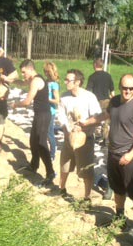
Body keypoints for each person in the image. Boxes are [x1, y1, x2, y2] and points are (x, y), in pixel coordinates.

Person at [90, 74, 133, 230]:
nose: (127, 91)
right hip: (112, 153)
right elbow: (105, 115)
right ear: (119, 87)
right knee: (117, 188)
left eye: (131, 88)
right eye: (125, 88)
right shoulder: (115, 101)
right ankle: (120, 215)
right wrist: (86, 122)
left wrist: (131, 154)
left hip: (128, 156)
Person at [56, 69, 102, 206]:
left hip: (85, 139)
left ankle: (87, 196)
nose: (65, 82)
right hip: (69, 138)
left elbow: (98, 118)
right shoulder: (64, 97)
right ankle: (62, 188)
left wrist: (84, 126)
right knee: (65, 165)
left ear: (78, 82)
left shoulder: (89, 97)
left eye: (68, 80)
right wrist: (66, 130)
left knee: (86, 170)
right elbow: (61, 116)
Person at [13, 60, 56, 187]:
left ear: (30, 69)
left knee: (42, 143)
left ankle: (50, 172)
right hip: (39, 115)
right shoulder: (33, 79)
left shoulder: (36, 81)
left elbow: (27, 102)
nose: (23, 75)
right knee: (33, 140)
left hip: (43, 115)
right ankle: (34, 165)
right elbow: (22, 83)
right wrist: (10, 80)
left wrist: (16, 104)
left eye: (24, 72)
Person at [86, 58, 114, 143]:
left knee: (95, 119)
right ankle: (105, 139)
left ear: (94, 65)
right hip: (106, 101)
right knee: (106, 121)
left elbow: (88, 91)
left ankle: (93, 136)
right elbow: (112, 91)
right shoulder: (108, 76)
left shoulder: (92, 77)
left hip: (96, 102)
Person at [43, 62, 60, 161]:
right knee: (44, 131)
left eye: (46, 71)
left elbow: (57, 100)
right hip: (44, 110)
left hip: (50, 111)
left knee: (49, 133)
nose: (45, 73)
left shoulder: (54, 85)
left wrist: (46, 99)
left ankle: (52, 153)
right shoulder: (46, 82)